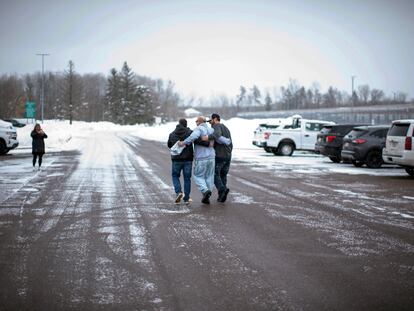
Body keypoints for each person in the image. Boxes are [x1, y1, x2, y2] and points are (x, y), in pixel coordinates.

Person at [167, 118, 210, 205]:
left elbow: (169, 145)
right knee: (187, 178)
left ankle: (178, 192)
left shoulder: (172, 134)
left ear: (178, 124)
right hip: (188, 160)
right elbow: (198, 140)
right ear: (186, 125)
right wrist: (209, 143)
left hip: (176, 159)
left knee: (175, 176)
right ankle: (186, 198)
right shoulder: (190, 132)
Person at [179, 116, 216, 204]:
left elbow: (192, 137)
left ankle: (205, 191)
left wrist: (183, 143)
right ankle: (207, 195)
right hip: (211, 157)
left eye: (196, 121)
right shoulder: (211, 130)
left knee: (198, 176)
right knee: (209, 176)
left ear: (199, 122)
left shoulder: (199, 129)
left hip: (201, 157)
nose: (196, 122)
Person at [206, 113, 233, 202]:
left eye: (211, 120)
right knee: (223, 175)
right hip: (228, 155)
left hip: (220, 155)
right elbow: (230, 142)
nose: (210, 122)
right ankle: (221, 196)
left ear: (215, 119)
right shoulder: (226, 128)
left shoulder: (216, 126)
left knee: (214, 174)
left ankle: (222, 189)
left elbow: (216, 135)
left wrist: (206, 137)